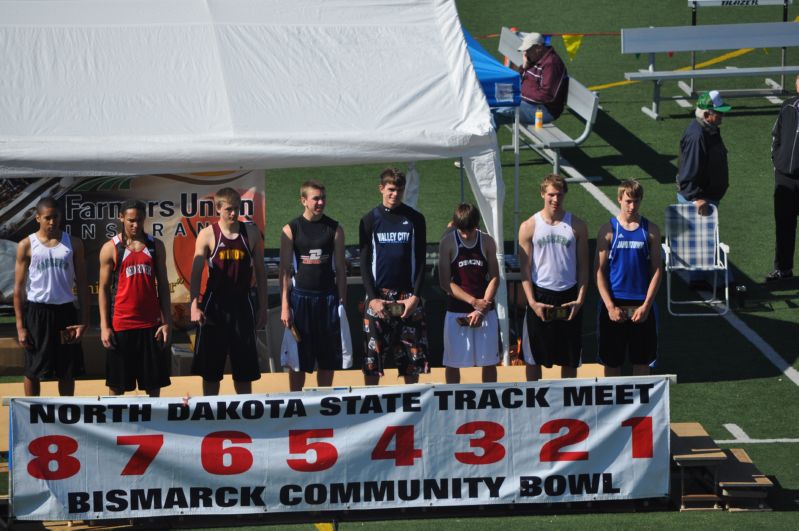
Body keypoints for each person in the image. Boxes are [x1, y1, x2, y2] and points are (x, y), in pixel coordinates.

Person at [190, 188, 267, 396]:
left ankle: (244, 412)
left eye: (237, 209)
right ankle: (209, 410)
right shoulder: (207, 234)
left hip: (242, 305)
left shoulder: (250, 233)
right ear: (218, 209)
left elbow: (260, 272)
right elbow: (196, 273)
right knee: (211, 370)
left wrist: (263, 307)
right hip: (214, 307)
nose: (233, 214)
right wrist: (194, 305)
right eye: (229, 210)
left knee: (244, 369)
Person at [13, 197, 88, 396]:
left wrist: (84, 321)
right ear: (38, 218)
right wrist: (20, 327)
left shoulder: (73, 244)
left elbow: (82, 284)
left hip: (66, 314)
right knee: (33, 368)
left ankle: (66, 413)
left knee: (67, 369)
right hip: (37, 314)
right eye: (47, 218)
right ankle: (32, 414)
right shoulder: (26, 245)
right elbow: (18, 289)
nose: (52, 222)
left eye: (55, 217)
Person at [359, 168, 429, 379]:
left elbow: (421, 260)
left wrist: (415, 297)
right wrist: (372, 299)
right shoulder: (369, 220)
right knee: (372, 362)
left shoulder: (416, 219)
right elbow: (363, 262)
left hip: (407, 298)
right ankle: (370, 410)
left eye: (399, 190)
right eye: (390, 190)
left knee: (412, 362)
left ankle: (413, 410)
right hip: (379, 297)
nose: (394, 194)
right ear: (381, 188)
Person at [280, 180, 349, 391]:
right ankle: (295, 403)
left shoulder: (335, 229)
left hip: (327, 299)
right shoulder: (290, 229)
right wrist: (285, 305)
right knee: (298, 360)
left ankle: (324, 401)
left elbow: (341, 269)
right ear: (303, 200)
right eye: (315, 198)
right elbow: (284, 271)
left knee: (328, 359)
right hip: (300, 300)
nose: (320, 202)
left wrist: (342, 302)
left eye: (323, 198)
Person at [518, 174, 588, 380]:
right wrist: (532, 302)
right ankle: (534, 404)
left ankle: (568, 406)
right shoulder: (528, 226)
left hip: (569, 296)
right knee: (533, 358)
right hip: (541, 295)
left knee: (569, 357)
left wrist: (580, 300)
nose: (555, 200)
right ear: (542, 194)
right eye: (551, 195)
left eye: (559, 195)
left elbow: (584, 267)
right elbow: (525, 270)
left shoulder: (577, 226)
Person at [98, 200, 171, 397]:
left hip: (151, 326)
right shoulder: (111, 248)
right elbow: (103, 289)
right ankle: (115, 427)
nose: (135, 225)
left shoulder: (155, 246)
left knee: (153, 386)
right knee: (117, 387)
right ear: (121, 217)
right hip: (121, 326)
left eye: (139, 220)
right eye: (131, 220)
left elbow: (163, 286)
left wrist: (166, 323)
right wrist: (105, 327)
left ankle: (153, 426)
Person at [595, 180, 662, 377]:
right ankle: (612, 407)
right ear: (619, 199)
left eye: (636, 201)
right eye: (628, 201)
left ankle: (640, 408)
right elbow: (598, 271)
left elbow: (657, 270)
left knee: (642, 362)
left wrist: (647, 306)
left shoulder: (650, 231)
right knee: (611, 362)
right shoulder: (608, 230)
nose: (632, 206)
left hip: (641, 304)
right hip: (614, 304)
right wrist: (609, 307)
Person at [438, 204, 500, 383]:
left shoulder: (487, 241)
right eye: (462, 231)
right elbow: (445, 282)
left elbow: (495, 277)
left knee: (489, 362)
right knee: (453, 363)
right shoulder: (448, 243)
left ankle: (490, 406)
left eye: (470, 230)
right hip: (458, 311)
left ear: (477, 225)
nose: (466, 235)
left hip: (485, 310)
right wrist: (474, 302)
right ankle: (453, 406)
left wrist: (481, 308)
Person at [493, 32, 568, 127]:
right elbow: (523, 80)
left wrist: (520, 93)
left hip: (544, 111)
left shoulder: (552, 64)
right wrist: (524, 67)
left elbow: (546, 96)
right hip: (528, 103)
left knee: (499, 107)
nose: (525, 53)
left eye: (528, 50)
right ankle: (485, 141)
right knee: (492, 105)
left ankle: (484, 141)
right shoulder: (534, 58)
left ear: (539, 48)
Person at [677, 90, 731, 215]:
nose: (723, 116)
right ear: (707, 115)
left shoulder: (710, 129)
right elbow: (689, 170)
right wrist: (695, 199)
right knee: (695, 235)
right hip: (699, 203)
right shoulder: (697, 136)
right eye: (719, 113)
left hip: (706, 199)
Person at [767, 75, 799, 282]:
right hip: (785, 178)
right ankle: (783, 269)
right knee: (784, 226)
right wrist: (777, 161)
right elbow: (776, 135)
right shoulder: (788, 107)